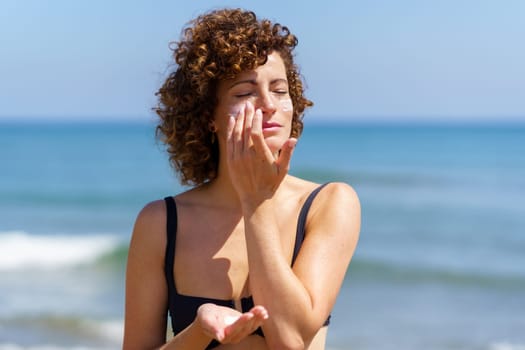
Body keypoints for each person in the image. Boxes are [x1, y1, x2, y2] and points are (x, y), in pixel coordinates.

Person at [123, 7, 360, 350]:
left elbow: (290, 339)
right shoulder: (159, 223)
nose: (268, 104)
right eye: (245, 93)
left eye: (280, 90)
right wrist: (201, 330)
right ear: (209, 116)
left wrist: (255, 203)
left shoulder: (329, 203)